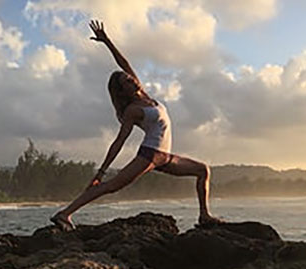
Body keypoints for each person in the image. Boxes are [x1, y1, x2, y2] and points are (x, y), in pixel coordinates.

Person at [51, 20, 222, 231]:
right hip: (149, 155)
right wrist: (101, 171)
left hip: (165, 158)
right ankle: (64, 214)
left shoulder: (146, 97)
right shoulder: (133, 110)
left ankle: (204, 215)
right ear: (123, 92)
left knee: (203, 170)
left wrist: (107, 41)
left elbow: (124, 64)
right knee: (110, 187)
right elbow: (119, 141)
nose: (132, 80)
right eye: (127, 82)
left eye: (130, 78)